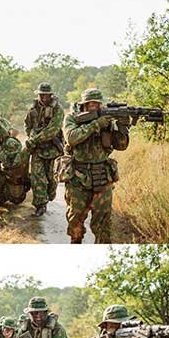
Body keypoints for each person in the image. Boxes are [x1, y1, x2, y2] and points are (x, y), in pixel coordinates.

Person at [63, 90, 132, 244]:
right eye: (91, 103)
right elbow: (71, 137)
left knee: (103, 224)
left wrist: (122, 128)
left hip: (103, 176)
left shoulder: (107, 120)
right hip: (78, 177)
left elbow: (121, 146)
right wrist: (96, 124)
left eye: (97, 103)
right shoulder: (72, 118)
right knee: (75, 220)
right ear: (84, 104)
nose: (94, 106)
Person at [24, 86, 64, 214]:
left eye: (46, 95)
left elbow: (53, 129)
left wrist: (35, 139)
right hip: (38, 149)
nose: (44, 98)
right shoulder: (32, 108)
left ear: (51, 95)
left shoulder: (57, 108)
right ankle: (40, 205)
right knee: (37, 177)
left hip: (52, 148)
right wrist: (31, 134)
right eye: (41, 95)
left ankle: (50, 195)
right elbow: (27, 125)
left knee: (50, 178)